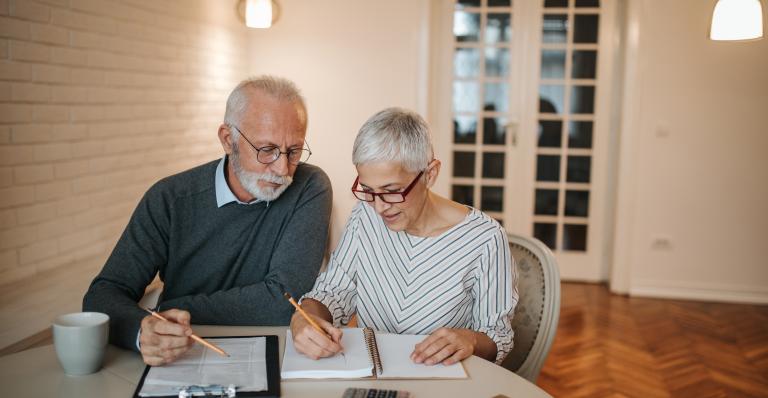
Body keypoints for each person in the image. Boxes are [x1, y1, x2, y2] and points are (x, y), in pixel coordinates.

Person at [83, 76, 332, 366]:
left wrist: (171, 307)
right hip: (182, 356)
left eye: (294, 151)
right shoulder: (169, 198)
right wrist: (143, 330)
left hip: (277, 354)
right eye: (267, 150)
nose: (282, 168)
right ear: (229, 140)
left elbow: (283, 301)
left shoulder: (310, 186)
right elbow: (102, 296)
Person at [289, 107, 517, 366]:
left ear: (430, 174)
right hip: (373, 377)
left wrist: (471, 340)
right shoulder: (365, 215)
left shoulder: (485, 239)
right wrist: (304, 315)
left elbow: (498, 335)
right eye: (368, 190)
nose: (379, 206)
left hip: (443, 382)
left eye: (392, 190)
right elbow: (333, 291)